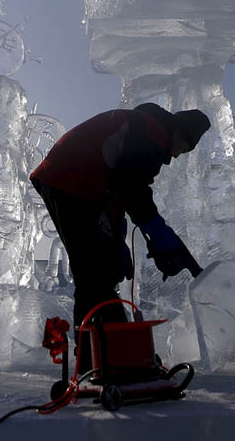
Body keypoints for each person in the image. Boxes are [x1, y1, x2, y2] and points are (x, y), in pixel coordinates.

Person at [29, 103, 210, 367]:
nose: (179, 155)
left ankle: (106, 353)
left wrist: (118, 243)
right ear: (181, 135)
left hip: (67, 179)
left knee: (100, 268)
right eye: (186, 148)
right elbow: (133, 192)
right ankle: (100, 359)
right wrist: (159, 233)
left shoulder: (142, 126)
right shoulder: (151, 133)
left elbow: (115, 196)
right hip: (72, 179)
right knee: (95, 272)